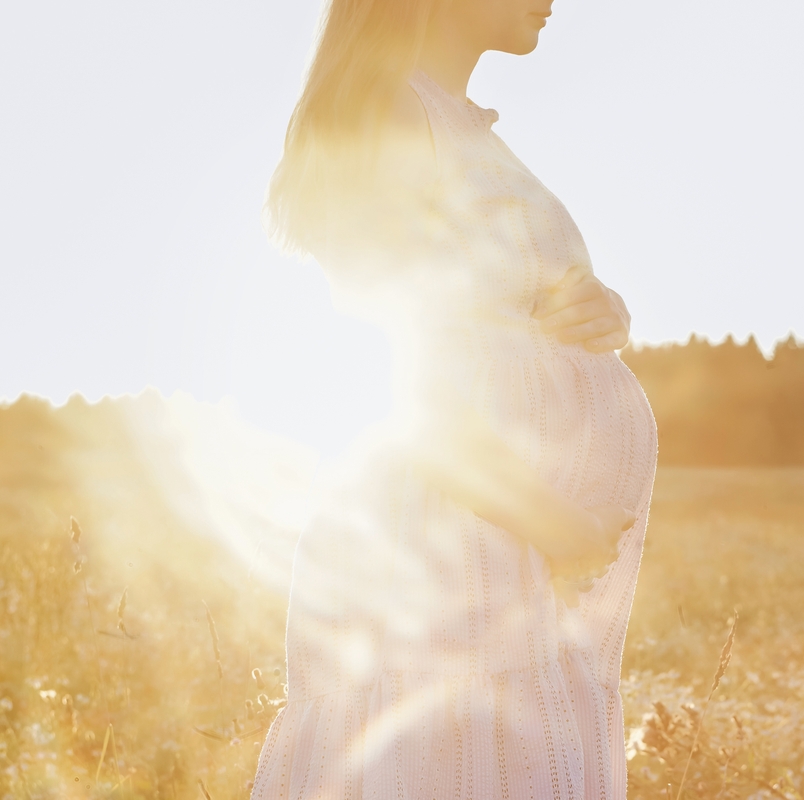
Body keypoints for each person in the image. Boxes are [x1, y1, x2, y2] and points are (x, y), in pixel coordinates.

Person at [250, 0, 658, 797]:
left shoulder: (460, 129)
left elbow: (495, 316)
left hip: (497, 555)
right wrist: (551, 523)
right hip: (458, 548)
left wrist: (604, 311)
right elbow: (403, 368)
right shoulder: (388, 114)